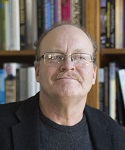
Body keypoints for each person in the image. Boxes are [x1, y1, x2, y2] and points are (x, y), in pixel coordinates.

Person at [0, 23, 125, 150]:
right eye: (55, 57)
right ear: (37, 71)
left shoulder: (113, 133)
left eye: (80, 57)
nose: (68, 65)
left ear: (93, 74)